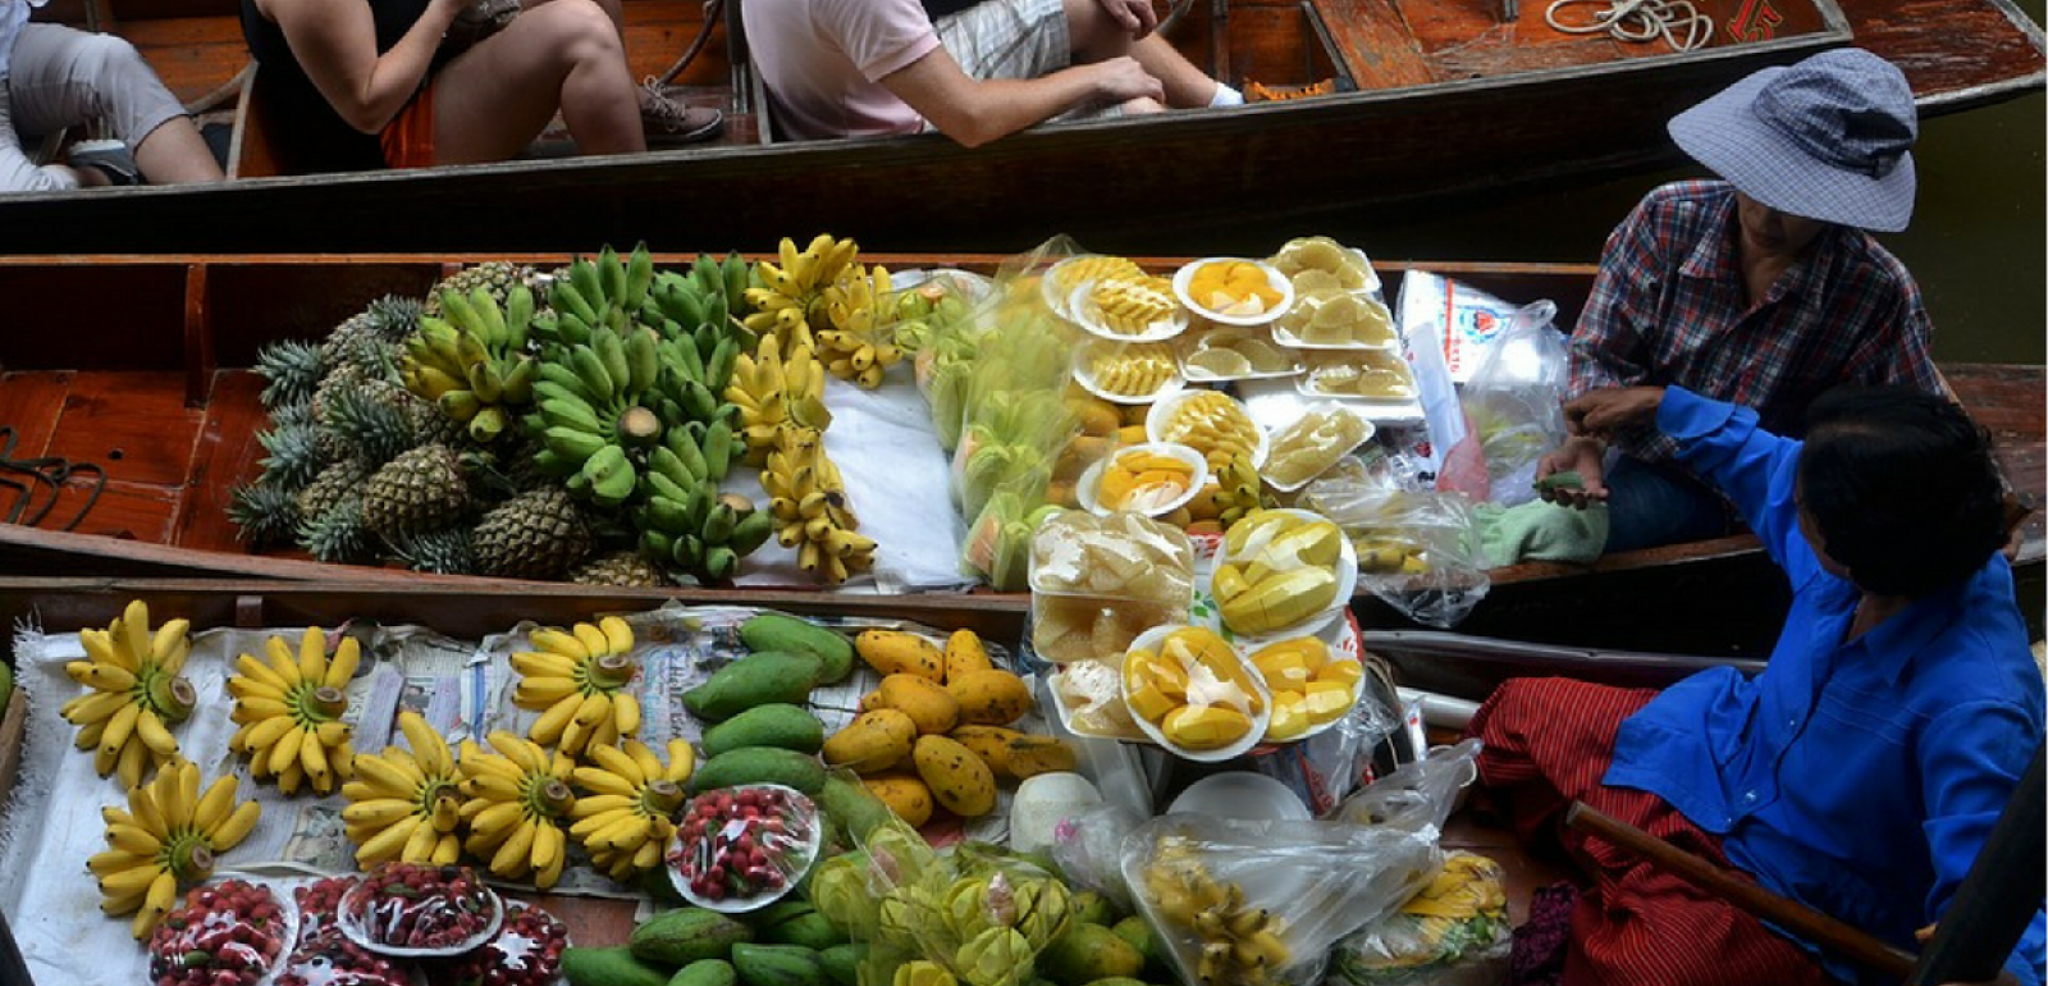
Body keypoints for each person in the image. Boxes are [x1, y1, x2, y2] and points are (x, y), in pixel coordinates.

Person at [1479, 383, 2044, 986]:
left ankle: (1641, 897)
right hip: (1720, 761)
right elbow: (1763, 459)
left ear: (1850, 549)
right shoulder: (1876, 544)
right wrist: (1663, 406)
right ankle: (1640, 890)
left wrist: (1994, 973)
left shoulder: (1980, 707)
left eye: (1803, 509)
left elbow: (1999, 900)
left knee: (1647, 972)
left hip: (1800, 897)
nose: (1788, 504)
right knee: (1519, 713)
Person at [1538, 47, 1942, 553]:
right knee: (1539, 514)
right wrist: (1588, 438)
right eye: (1760, 180)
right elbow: (1601, 351)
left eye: (1801, 202)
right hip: (1642, 447)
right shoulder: (1667, 218)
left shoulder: (1875, 291)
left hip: (1754, 491)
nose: (1767, 217)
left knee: (1571, 538)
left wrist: (1986, 506)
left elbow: (1916, 432)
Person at [241, 0, 721, 173]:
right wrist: (444, 10)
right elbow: (367, 106)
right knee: (582, 33)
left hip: (430, 69)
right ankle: (638, 247)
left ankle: (624, 104)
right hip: (382, 149)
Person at [743, 0, 1241, 147]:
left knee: (1097, 10)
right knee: (1138, 114)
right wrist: (1096, 78)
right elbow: (970, 117)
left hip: (878, 77)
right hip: (895, 129)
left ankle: (1228, 109)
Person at [0, 0, 224, 191]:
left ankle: (231, 218)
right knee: (28, 196)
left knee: (112, 60)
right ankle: (99, 175)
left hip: (8, 47)